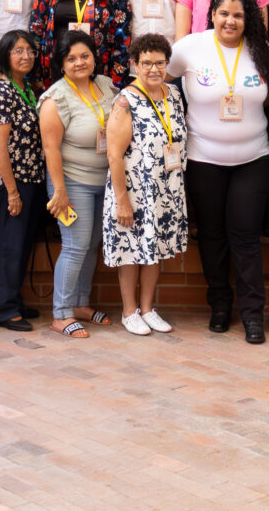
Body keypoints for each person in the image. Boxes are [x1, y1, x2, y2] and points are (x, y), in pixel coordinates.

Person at [169, 0, 269, 344]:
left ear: (248, 20)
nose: (230, 21)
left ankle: (252, 315)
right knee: (212, 237)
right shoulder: (189, 48)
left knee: (245, 238)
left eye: (238, 15)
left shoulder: (263, 51)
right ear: (212, 15)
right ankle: (219, 304)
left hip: (253, 158)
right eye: (224, 13)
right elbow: (158, 80)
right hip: (203, 159)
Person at [104, 33, 189, 336]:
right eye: (146, 63)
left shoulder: (174, 95)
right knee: (131, 250)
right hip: (134, 189)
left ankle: (148, 308)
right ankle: (129, 312)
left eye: (160, 63)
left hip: (166, 189)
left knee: (155, 249)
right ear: (135, 65)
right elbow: (114, 154)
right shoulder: (125, 101)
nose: (154, 69)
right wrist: (121, 199)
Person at [38, 31, 117, 338]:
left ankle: (81, 304)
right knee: (74, 246)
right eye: (71, 59)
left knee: (92, 245)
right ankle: (60, 313)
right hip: (72, 183)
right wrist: (60, 191)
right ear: (61, 64)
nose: (79, 62)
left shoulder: (106, 85)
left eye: (85, 56)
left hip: (104, 182)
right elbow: (50, 149)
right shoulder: (55, 98)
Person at [0, 29, 48, 331]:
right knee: (8, 245)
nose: (26, 56)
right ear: (5, 54)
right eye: (18, 51)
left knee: (21, 244)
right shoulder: (0, 88)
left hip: (31, 176)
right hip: (12, 180)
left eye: (30, 51)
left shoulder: (27, 88)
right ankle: (4, 309)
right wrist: (11, 191)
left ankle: (14, 301)